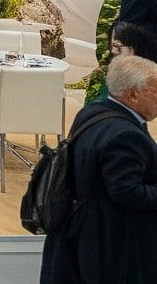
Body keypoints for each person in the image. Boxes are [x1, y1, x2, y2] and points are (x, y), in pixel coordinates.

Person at [40, 55, 157, 284]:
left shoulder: (92, 113)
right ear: (132, 94)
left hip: (76, 236)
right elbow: (126, 192)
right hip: (111, 247)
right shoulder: (126, 136)